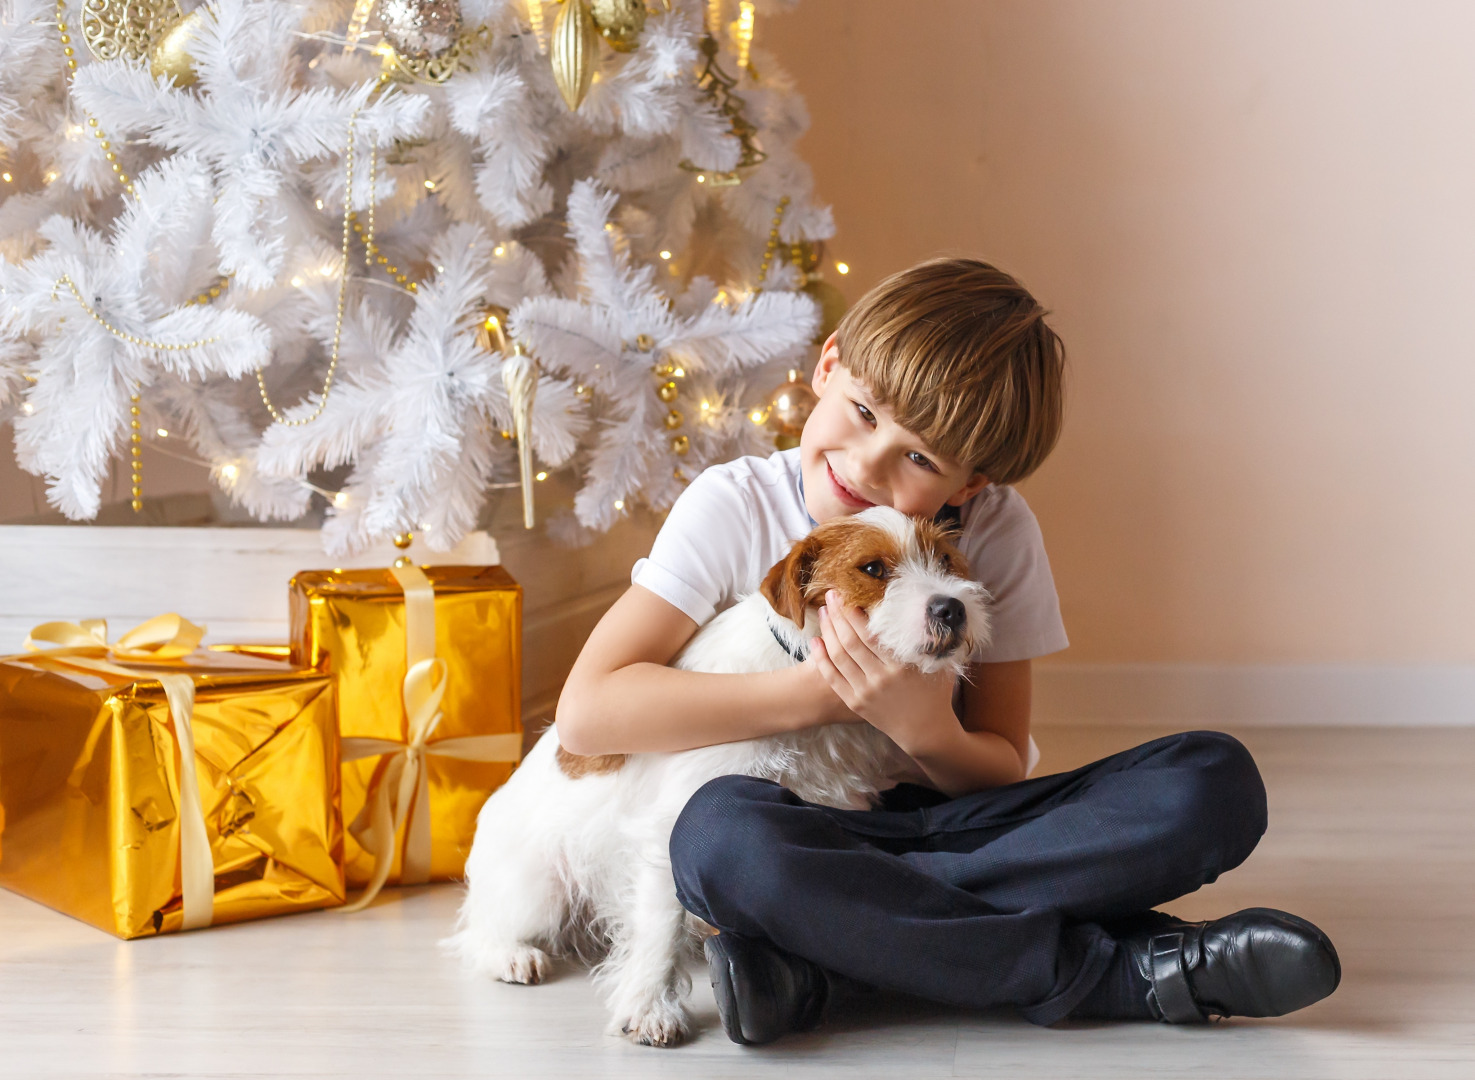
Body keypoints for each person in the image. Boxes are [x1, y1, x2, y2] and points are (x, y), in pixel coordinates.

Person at [554, 258, 1340, 1044]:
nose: (867, 464)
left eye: (922, 458)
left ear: (971, 486)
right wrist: (825, 696)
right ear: (827, 366)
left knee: (1210, 781)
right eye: (862, 412)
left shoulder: (1000, 533)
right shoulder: (734, 506)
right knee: (720, 835)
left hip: (926, 825)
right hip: (798, 830)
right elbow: (588, 717)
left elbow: (999, 764)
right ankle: (1120, 972)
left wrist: (924, 729)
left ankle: (823, 965)